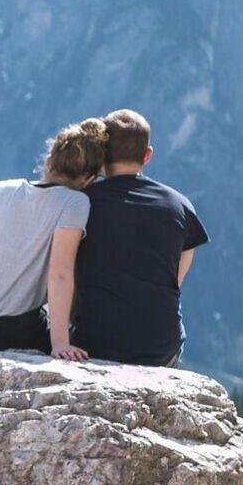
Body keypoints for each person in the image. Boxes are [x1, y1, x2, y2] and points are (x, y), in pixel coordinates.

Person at [0, 119, 108, 359]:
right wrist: (60, 343)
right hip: (17, 333)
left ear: (49, 162)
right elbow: (60, 274)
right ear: (89, 180)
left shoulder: (0, 189)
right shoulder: (75, 203)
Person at [71, 109, 208, 366]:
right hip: (161, 349)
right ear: (147, 155)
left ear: (101, 155)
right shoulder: (179, 206)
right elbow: (174, 279)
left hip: (95, 344)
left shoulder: (80, 204)